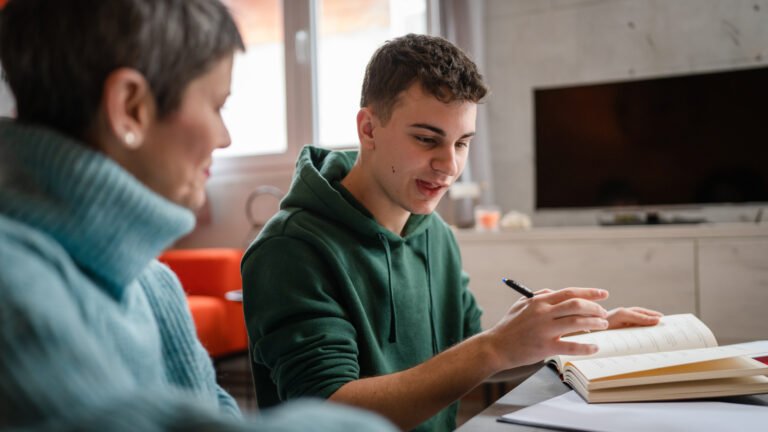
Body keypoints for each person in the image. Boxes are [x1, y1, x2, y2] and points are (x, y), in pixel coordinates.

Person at [0, 1, 396, 431]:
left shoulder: (154, 285)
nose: (224, 138)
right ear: (131, 108)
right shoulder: (12, 281)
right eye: (216, 106)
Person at [241, 33, 663, 431]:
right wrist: (494, 346)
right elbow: (329, 414)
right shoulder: (289, 249)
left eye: (462, 143)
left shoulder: (435, 234)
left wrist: (555, 338)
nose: (450, 166)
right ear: (368, 129)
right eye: (427, 140)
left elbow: (465, 361)